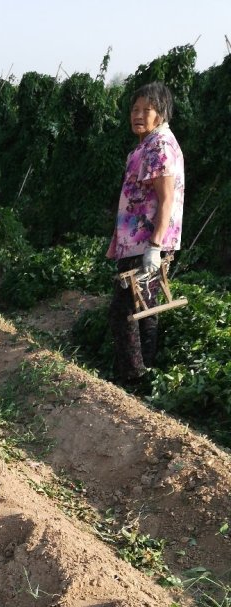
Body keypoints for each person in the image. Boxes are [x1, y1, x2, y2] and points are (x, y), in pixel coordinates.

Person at [106, 82, 185, 383]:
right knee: (144, 309)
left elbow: (166, 201)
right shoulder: (148, 143)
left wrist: (154, 246)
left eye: (146, 110)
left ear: (160, 113)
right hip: (137, 244)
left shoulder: (159, 146)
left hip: (146, 245)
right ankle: (142, 375)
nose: (138, 115)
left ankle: (133, 378)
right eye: (134, 109)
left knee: (124, 312)